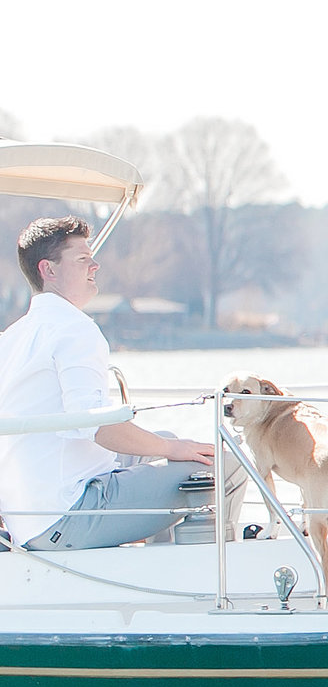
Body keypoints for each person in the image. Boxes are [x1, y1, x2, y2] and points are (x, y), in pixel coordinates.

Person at [0, 216, 216, 550]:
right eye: (83, 259)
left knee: (169, 441)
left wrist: (169, 445)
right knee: (217, 467)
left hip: (28, 519)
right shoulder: (75, 329)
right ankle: (195, 574)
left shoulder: (13, 337)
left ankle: (159, 561)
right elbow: (96, 426)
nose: (95, 266)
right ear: (49, 270)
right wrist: (173, 451)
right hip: (68, 516)